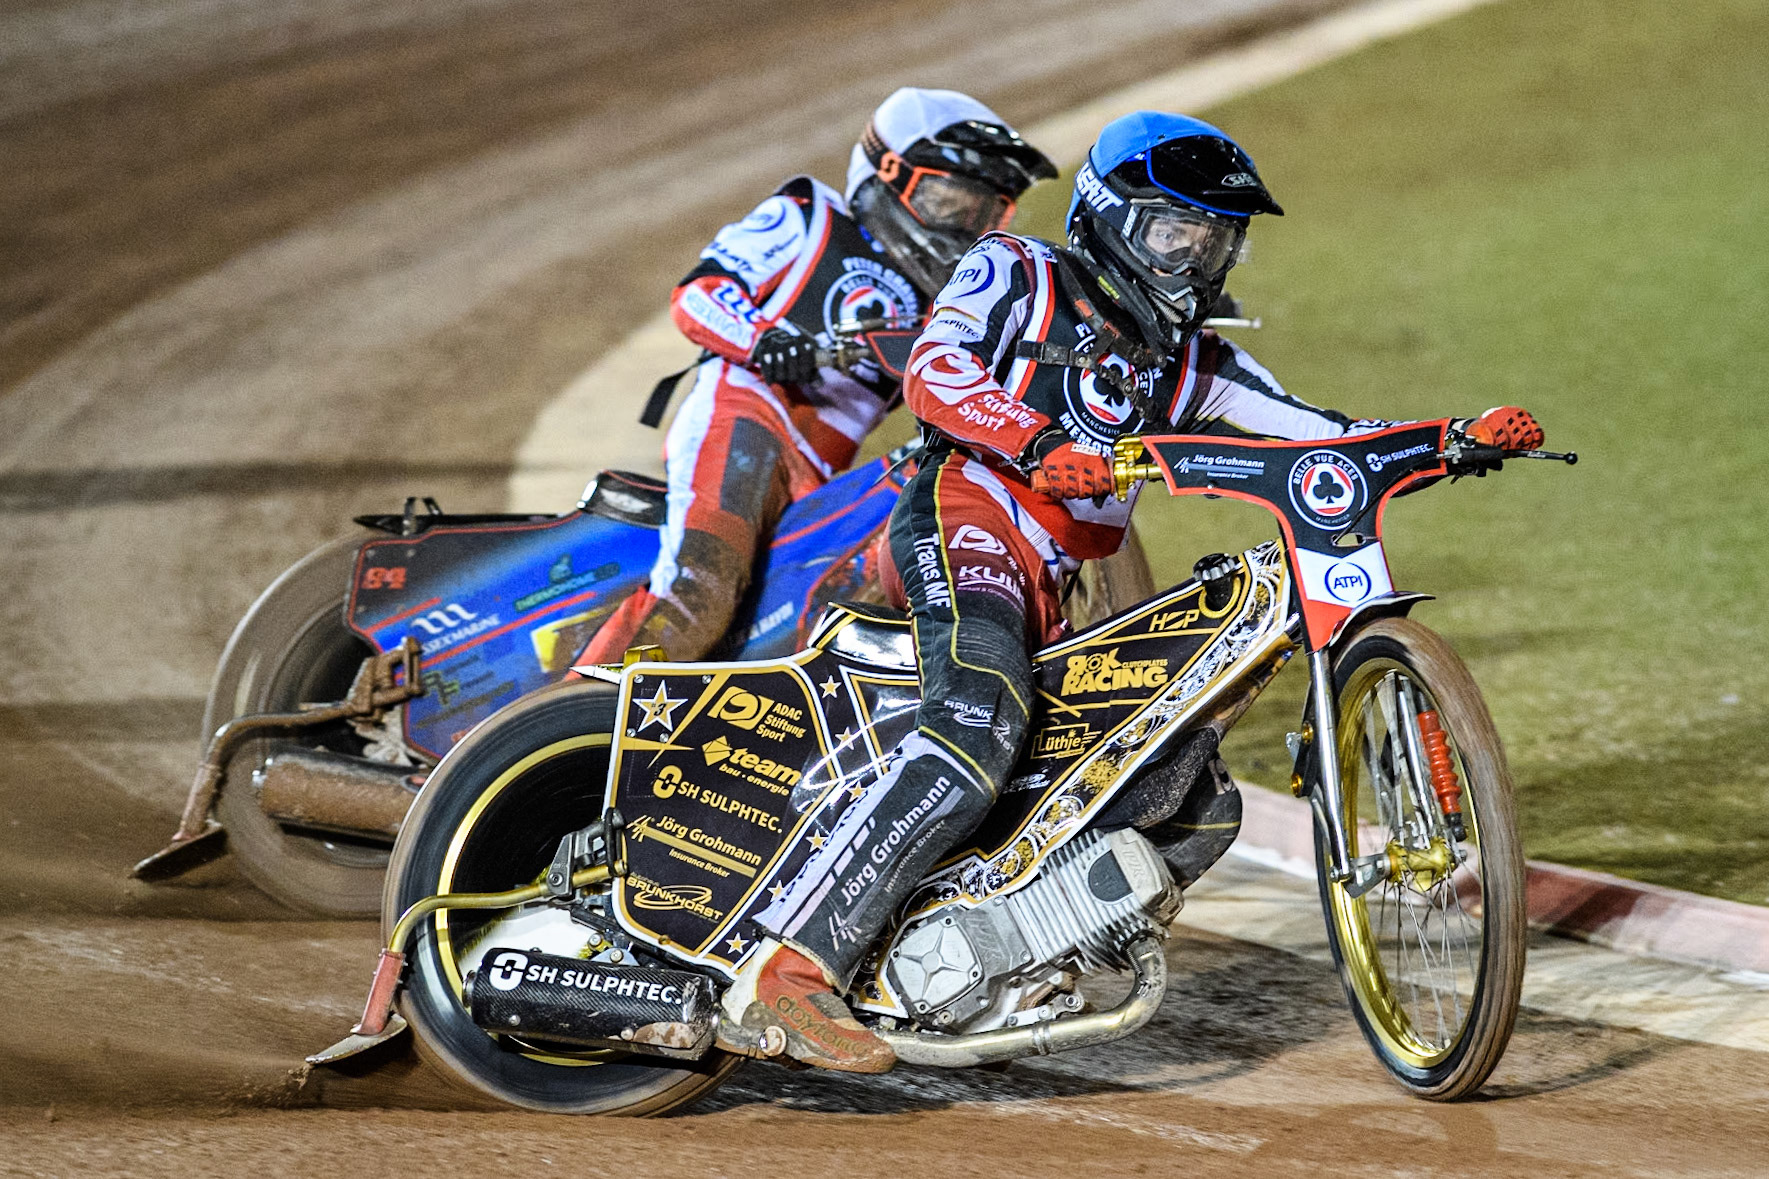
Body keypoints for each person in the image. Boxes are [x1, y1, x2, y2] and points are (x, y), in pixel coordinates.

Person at [718, 111, 1545, 1072]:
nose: (1193, 260)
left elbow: (1318, 434)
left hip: (1056, 577)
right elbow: (936, 373)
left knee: (1188, 797)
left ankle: (1003, 946)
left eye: (1215, 239)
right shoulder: (1018, 272)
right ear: (1110, 218)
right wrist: (1032, 443)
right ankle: (788, 970)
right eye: (1172, 232)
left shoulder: (1196, 359)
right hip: (963, 516)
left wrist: (1452, 436)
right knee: (979, 721)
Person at [574, 87, 1055, 666]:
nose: (964, 226)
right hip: (747, 414)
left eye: (984, 213)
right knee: (700, 591)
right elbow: (697, 295)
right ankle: (570, 718)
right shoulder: (811, 214)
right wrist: (765, 339)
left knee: (829, 616)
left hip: (821, 475)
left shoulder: (949, 302)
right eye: (950, 202)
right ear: (891, 171)